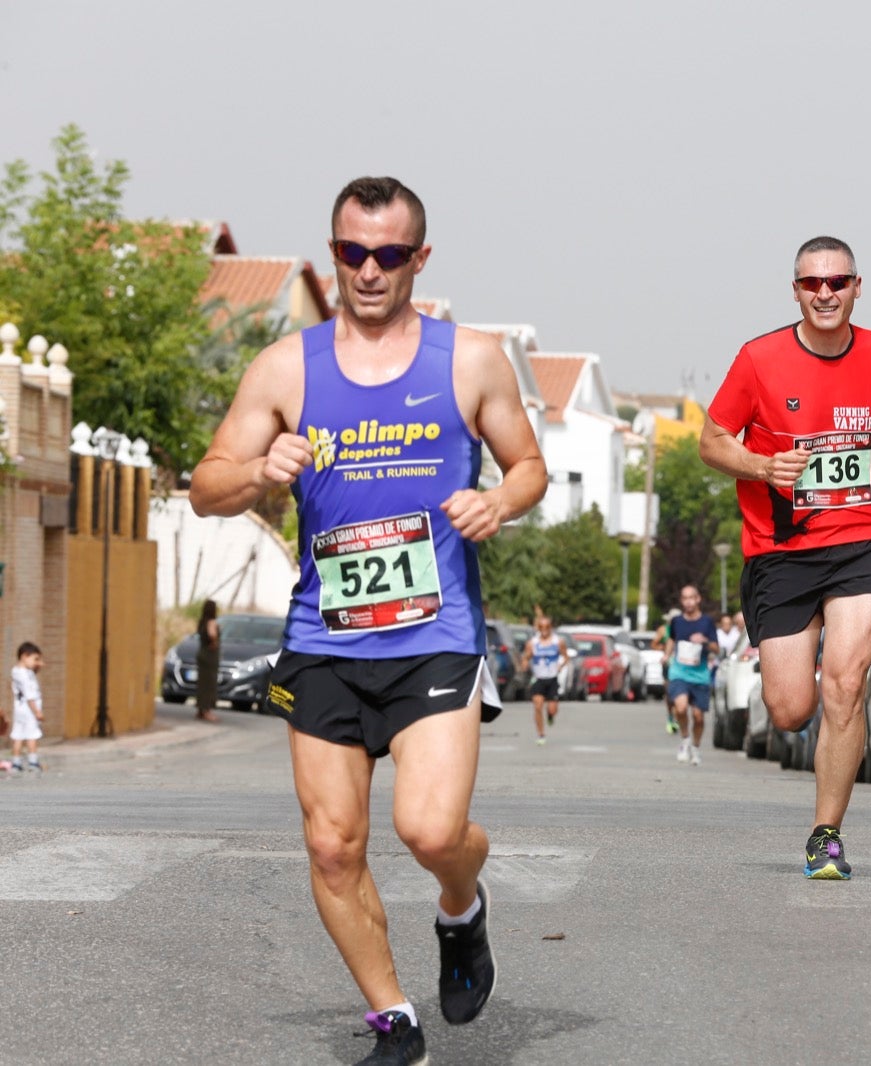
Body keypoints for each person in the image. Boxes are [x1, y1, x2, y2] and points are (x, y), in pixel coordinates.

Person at [189, 176, 548, 1066]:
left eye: (389, 255)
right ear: (333, 253)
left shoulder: (470, 360)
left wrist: (500, 501)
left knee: (430, 830)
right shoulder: (285, 367)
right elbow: (205, 488)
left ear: (419, 259)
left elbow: (530, 465)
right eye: (352, 253)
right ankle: (396, 1021)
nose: (370, 271)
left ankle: (461, 906)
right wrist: (259, 472)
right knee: (331, 843)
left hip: (435, 631)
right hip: (323, 639)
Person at [700, 236, 871, 879]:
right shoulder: (759, 359)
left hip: (862, 536)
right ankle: (803, 695)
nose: (825, 293)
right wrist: (761, 465)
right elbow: (711, 443)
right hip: (783, 547)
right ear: (794, 290)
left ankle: (826, 835)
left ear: (858, 286)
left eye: (838, 281)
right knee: (791, 707)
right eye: (811, 284)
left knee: (846, 683)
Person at [665, 585, 717, 765]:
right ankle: (685, 739)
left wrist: (704, 641)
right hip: (679, 672)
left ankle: (695, 746)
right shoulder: (677, 621)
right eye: (684, 598)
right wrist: (666, 655)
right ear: (681, 601)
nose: (688, 602)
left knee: (698, 716)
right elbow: (672, 638)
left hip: (700, 675)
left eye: (691, 598)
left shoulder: (707, 622)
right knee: (680, 708)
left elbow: (716, 648)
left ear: (698, 599)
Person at [521, 615, 569, 746]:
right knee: (537, 706)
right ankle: (541, 734)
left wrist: (561, 665)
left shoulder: (558, 642)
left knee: (552, 709)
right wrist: (525, 663)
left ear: (551, 627)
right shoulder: (533, 643)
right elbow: (526, 657)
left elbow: (566, 657)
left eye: (547, 627)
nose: (544, 630)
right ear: (538, 628)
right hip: (538, 679)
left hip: (552, 679)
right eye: (541, 627)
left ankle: (550, 716)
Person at [10, 642, 45, 772]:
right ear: (25, 656)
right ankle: (33, 762)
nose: (37, 663)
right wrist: (37, 712)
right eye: (35, 659)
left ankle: (16, 763)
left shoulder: (16, 671)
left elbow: (34, 670)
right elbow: (30, 696)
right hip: (29, 711)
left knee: (18, 736)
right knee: (32, 736)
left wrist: (37, 665)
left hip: (19, 710)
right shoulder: (25, 674)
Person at [194, 599, 222, 722]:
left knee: (202, 683)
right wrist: (215, 643)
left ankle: (200, 709)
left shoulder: (202, 622)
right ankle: (207, 711)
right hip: (210, 655)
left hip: (202, 653)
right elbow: (212, 634)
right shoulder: (212, 622)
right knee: (209, 683)